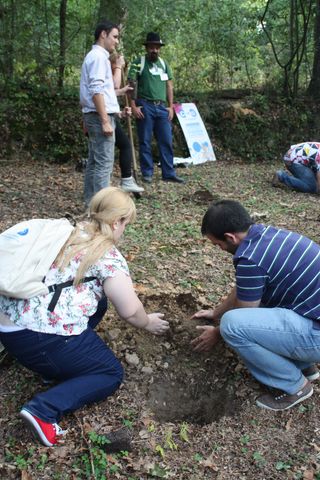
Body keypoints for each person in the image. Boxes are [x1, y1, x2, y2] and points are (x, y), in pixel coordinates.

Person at [0, 187, 169, 446]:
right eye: (126, 224)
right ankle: (43, 411)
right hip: (38, 338)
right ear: (116, 222)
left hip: (9, 327)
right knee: (110, 373)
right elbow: (130, 310)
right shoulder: (107, 256)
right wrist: (147, 322)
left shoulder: (64, 231)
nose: (125, 230)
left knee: (99, 303)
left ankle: (55, 368)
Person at [191, 199, 320, 411]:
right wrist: (217, 312)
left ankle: (296, 386)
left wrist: (217, 331)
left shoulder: (250, 260)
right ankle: (306, 367)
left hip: (315, 335)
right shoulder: (266, 235)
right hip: (312, 317)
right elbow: (245, 287)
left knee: (233, 325)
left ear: (230, 237)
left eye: (218, 244)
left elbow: (245, 314)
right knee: (240, 317)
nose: (220, 249)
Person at [80, 21, 131, 206]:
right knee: (103, 165)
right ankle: (100, 210)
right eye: (115, 37)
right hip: (98, 117)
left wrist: (117, 112)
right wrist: (104, 120)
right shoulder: (98, 57)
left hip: (97, 115)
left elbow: (104, 91)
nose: (116, 42)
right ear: (103, 34)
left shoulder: (97, 57)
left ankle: (90, 204)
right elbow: (96, 91)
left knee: (95, 162)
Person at [127, 32, 185, 184]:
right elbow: (131, 84)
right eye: (152, 47)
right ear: (147, 48)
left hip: (161, 107)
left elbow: (169, 86)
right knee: (145, 140)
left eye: (157, 47)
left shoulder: (164, 64)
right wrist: (133, 105)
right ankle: (147, 173)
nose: (155, 50)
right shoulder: (138, 62)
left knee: (166, 140)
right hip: (145, 105)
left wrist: (171, 106)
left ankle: (169, 172)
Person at [110, 54, 144, 194]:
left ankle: (126, 179)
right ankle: (126, 179)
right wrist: (123, 90)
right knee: (123, 146)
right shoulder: (106, 73)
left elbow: (108, 100)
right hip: (100, 119)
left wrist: (121, 113)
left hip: (109, 116)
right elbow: (107, 91)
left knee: (124, 145)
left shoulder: (111, 73)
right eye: (119, 66)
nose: (121, 69)